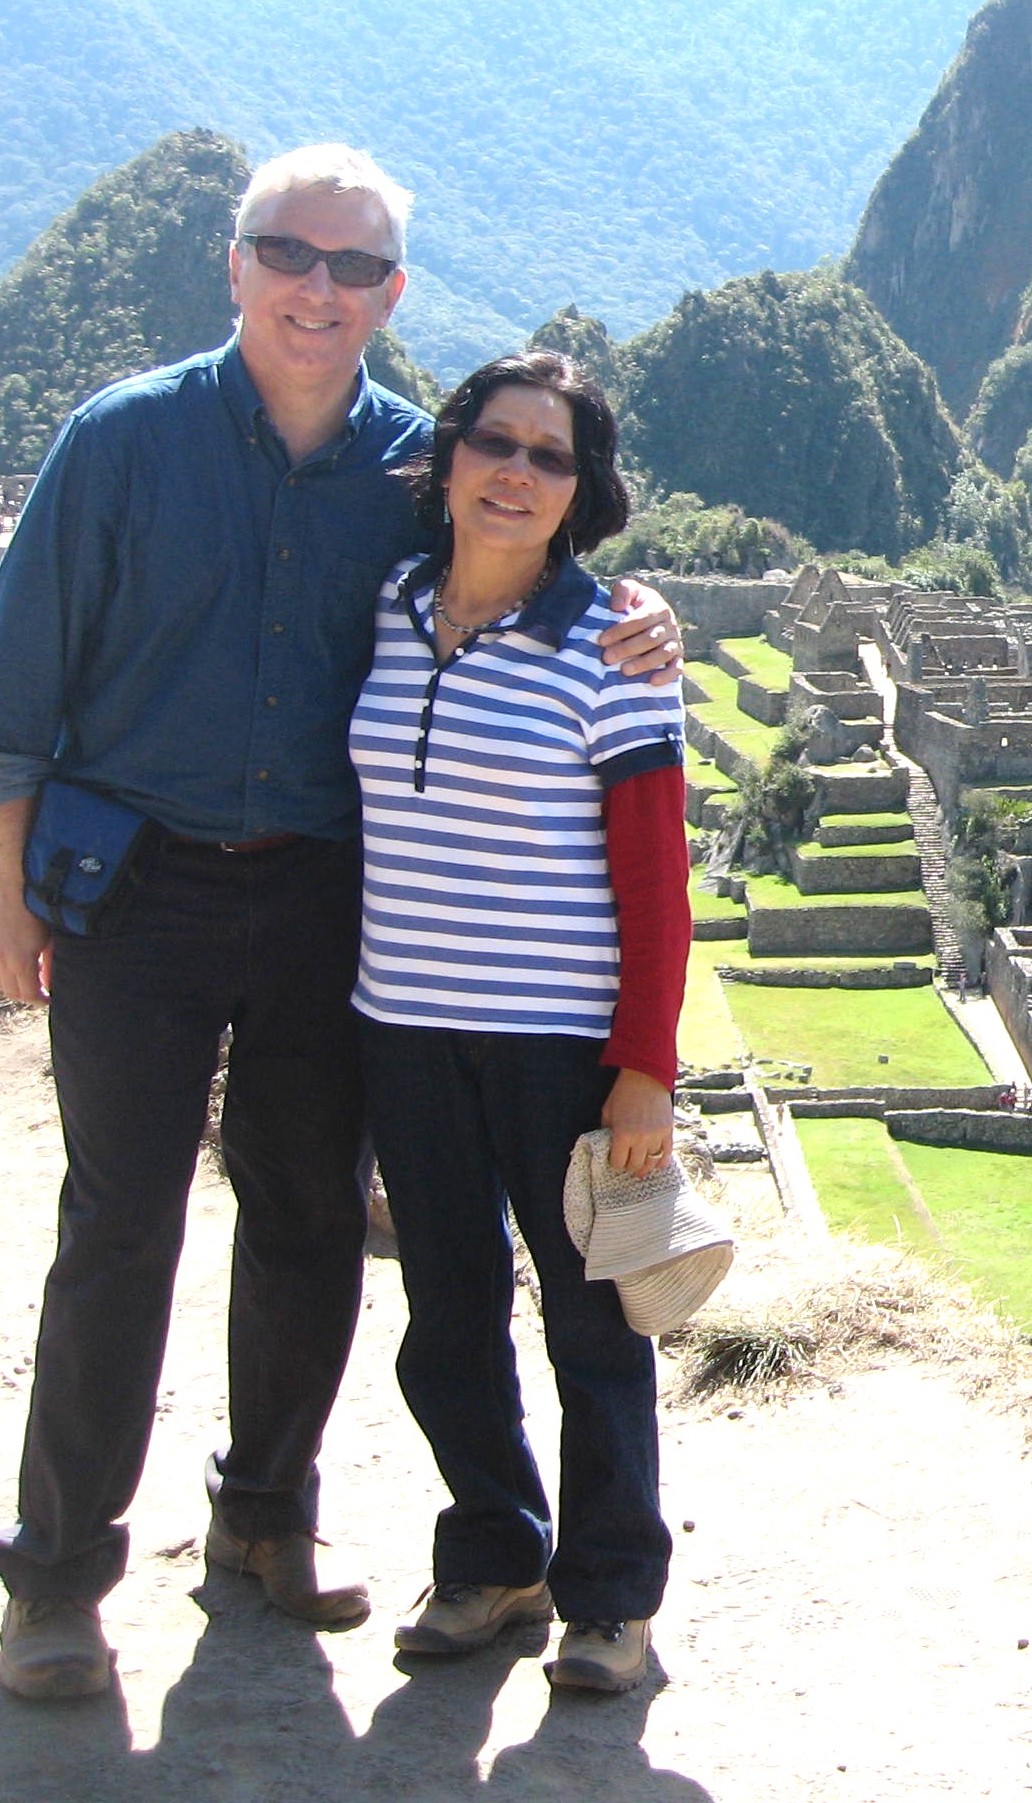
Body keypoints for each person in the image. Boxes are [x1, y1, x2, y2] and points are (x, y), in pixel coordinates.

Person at [0, 146, 682, 1702]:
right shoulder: (123, 440)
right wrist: (6, 892)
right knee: (120, 1223)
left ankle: (264, 1519)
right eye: (289, 253)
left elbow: (532, 567)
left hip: (319, 902)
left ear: (391, 294)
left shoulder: (417, 467)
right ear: (236, 263)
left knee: (305, 1216)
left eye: (354, 267)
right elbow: (21, 679)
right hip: (135, 888)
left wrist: (642, 616)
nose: (318, 288)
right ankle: (59, 1581)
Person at [351, 351, 689, 1697]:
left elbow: (656, 883)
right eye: (497, 442)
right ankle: (494, 1555)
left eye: (552, 456)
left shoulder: (615, 649)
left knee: (593, 1328)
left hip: (557, 1045)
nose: (517, 473)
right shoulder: (385, 607)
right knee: (446, 1313)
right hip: (402, 1024)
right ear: (448, 460)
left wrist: (644, 1069)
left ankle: (612, 1598)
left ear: (580, 492)